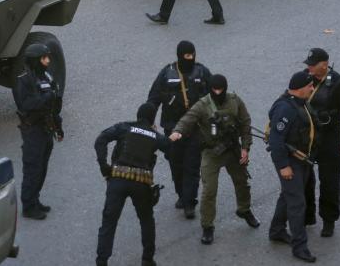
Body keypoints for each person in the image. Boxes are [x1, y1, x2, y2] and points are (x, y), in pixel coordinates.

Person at [170, 74, 259, 244]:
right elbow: (188, 119)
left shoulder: (235, 101)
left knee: (242, 182)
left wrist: (245, 148)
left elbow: (246, 123)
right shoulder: (203, 105)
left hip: (232, 150)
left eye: (221, 89)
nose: (218, 92)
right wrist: (177, 131)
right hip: (212, 153)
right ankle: (207, 226)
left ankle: (244, 209)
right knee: (209, 190)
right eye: (214, 89)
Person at [95, 103, 170, 266]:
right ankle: (147, 259)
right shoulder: (155, 135)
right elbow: (171, 150)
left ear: (137, 115)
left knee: (109, 221)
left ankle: (101, 261)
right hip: (141, 183)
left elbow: (101, 139)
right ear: (152, 120)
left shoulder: (124, 127)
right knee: (146, 221)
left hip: (118, 179)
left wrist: (103, 165)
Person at [146, 40, 212, 219]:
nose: (190, 58)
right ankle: (182, 195)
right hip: (172, 128)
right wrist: (148, 120)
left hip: (195, 128)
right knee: (176, 163)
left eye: (192, 55)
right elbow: (153, 98)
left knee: (192, 165)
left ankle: (189, 202)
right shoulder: (167, 74)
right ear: (180, 56)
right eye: (187, 56)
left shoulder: (202, 72)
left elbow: (214, 96)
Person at [302, 47, 340, 237]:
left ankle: (329, 220)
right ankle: (307, 216)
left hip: (330, 136)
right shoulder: (305, 77)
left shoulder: (338, 84)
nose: (308, 67)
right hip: (308, 136)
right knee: (304, 178)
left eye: (312, 65)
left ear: (324, 65)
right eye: (308, 64)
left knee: (330, 180)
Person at [268, 71, 318, 263]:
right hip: (290, 162)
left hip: (301, 159)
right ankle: (300, 247)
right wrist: (283, 166)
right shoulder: (286, 109)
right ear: (299, 89)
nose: (312, 89)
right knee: (297, 203)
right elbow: (275, 140)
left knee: (288, 195)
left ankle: (277, 230)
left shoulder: (299, 102)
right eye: (309, 86)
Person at [12, 42, 64, 220]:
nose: (48, 61)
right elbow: (26, 104)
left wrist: (59, 127)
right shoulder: (24, 80)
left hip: (47, 128)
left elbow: (53, 107)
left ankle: (35, 199)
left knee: (42, 168)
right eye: (44, 58)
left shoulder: (46, 77)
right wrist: (46, 97)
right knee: (33, 168)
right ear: (35, 60)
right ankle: (28, 205)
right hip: (33, 131)